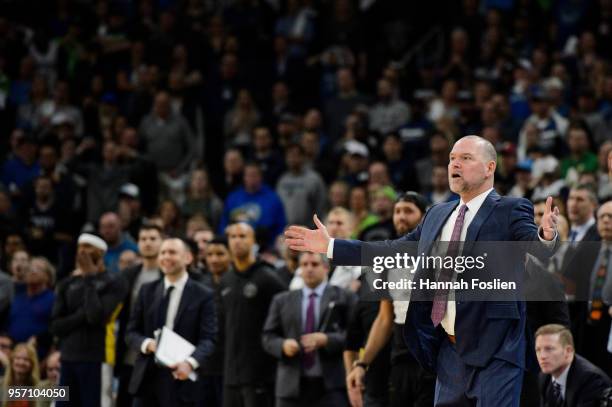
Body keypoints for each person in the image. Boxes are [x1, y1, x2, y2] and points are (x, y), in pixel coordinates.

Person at [285, 136, 559, 406]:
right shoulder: (437, 214)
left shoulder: (511, 209)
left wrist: (546, 235)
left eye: (466, 158)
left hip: (496, 347)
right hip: (449, 348)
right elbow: (391, 249)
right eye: (452, 158)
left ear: (490, 168)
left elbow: (534, 246)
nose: (455, 164)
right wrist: (331, 246)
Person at [345, 192, 435, 407]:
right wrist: (361, 363)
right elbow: (385, 319)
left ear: (424, 218)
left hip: (434, 360)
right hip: (400, 358)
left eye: (408, 211)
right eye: (397, 211)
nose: (401, 217)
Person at [126, 238, 217, 407]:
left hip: (182, 378)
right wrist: (148, 344)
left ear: (188, 258)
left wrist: (189, 363)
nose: (166, 256)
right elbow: (131, 332)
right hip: (147, 377)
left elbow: (209, 339)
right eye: (163, 252)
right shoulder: (147, 291)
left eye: (172, 252)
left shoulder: (203, 295)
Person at [262, 252, 356, 407]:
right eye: (304, 265)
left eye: (314, 264)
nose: (309, 269)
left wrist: (328, 340)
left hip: (332, 384)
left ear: (326, 268)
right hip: (291, 385)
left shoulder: (344, 297)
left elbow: (356, 335)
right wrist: (282, 345)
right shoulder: (281, 300)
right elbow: (267, 336)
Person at [50, 233, 127, 407]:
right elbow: (55, 326)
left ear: (101, 253)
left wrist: (90, 277)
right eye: (80, 247)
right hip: (67, 357)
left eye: (88, 247)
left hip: (97, 358)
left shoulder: (115, 282)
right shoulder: (67, 283)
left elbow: (96, 317)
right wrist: (81, 316)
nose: (82, 252)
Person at [220, 222, 285, 407]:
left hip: (260, 373)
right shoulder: (226, 280)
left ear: (254, 241)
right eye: (233, 237)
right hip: (231, 374)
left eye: (242, 236)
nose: (237, 241)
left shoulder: (268, 277)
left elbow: (284, 318)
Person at [115, 223, 164, 407]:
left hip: (158, 353)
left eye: (153, 239)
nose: (148, 243)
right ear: (137, 243)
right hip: (129, 352)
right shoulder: (129, 274)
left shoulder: (167, 274)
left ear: (162, 242)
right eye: (143, 239)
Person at [535, 324, 611, 407]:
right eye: (538, 350)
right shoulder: (544, 377)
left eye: (549, 349)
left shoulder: (591, 380)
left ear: (568, 351)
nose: (542, 356)